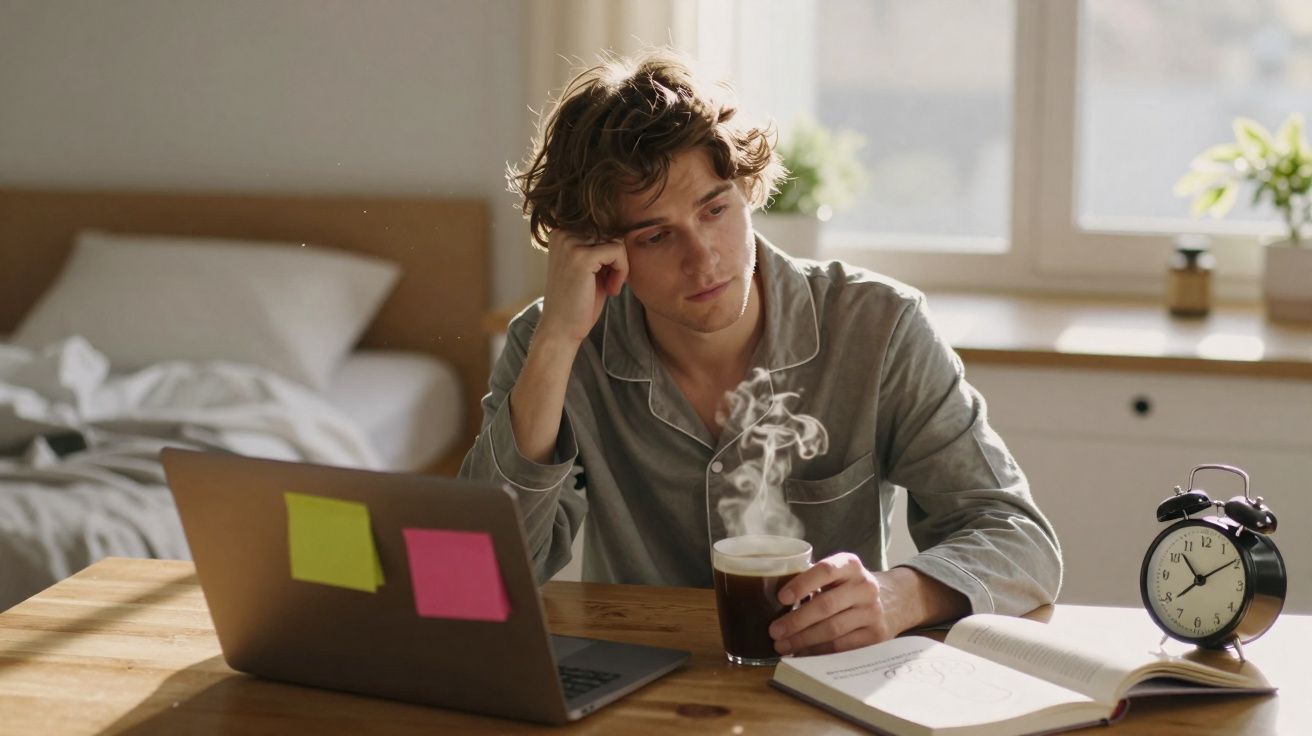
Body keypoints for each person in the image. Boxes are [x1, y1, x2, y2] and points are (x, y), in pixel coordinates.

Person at [460, 49, 1061, 657]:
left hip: (824, 680)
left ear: (747, 190)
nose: (704, 259)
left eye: (715, 209)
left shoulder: (879, 327)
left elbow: (1020, 541)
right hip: (634, 683)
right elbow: (471, 577)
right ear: (597, 247)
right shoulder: (555, 343)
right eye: (656, 236)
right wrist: (556, 343)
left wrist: (900, 595)